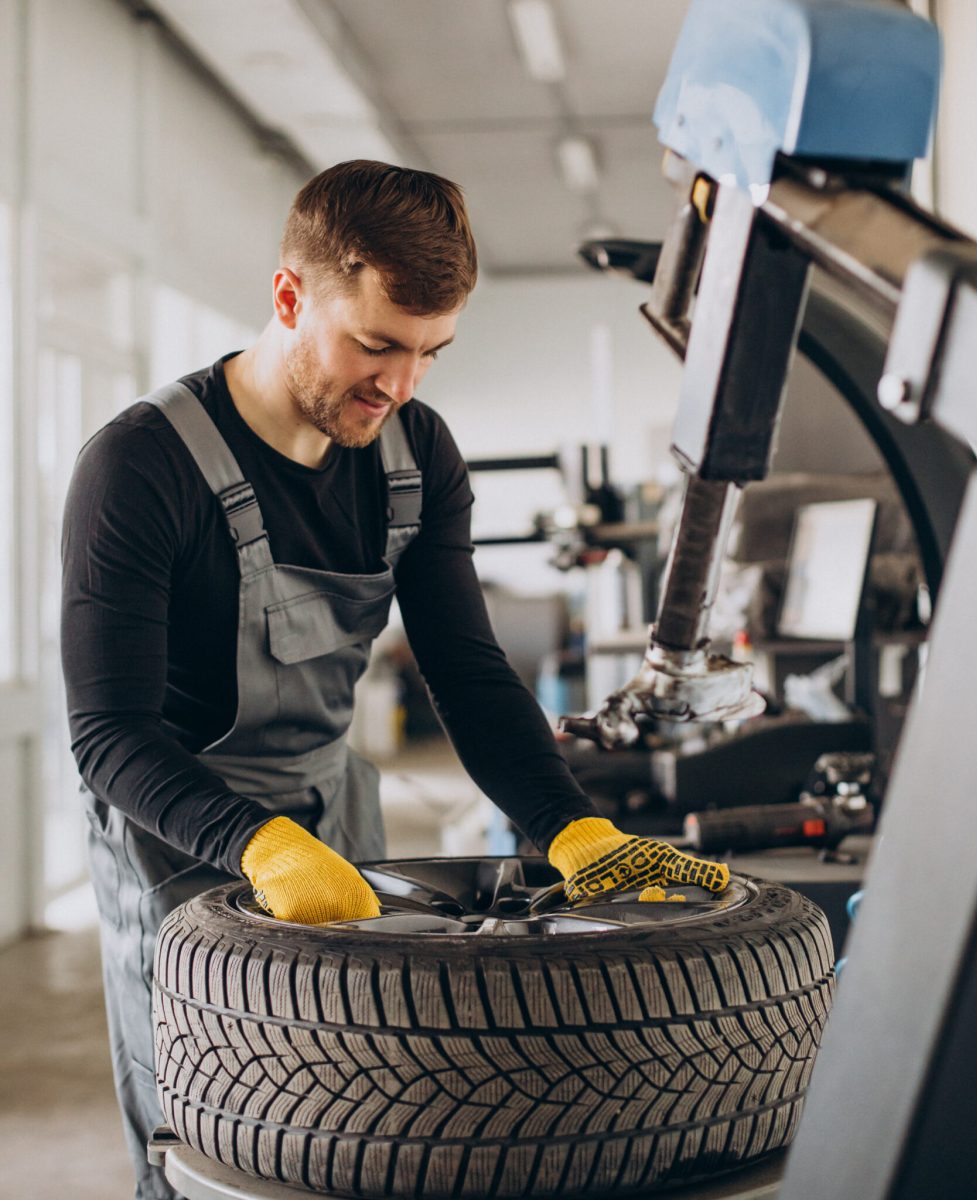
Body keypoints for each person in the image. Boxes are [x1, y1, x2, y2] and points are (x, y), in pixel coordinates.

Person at [60, 160, 729, 1200]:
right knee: (206, 1143)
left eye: (429, 353)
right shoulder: (142, 467)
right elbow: (106, 733)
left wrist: (568, 826)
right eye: (375, 345)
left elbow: (465, 669)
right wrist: (253, 841)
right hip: (174, 835)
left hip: (333, 807)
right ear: (290, 297)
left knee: (357, 1123)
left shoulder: (417, 455)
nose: (400, 384)